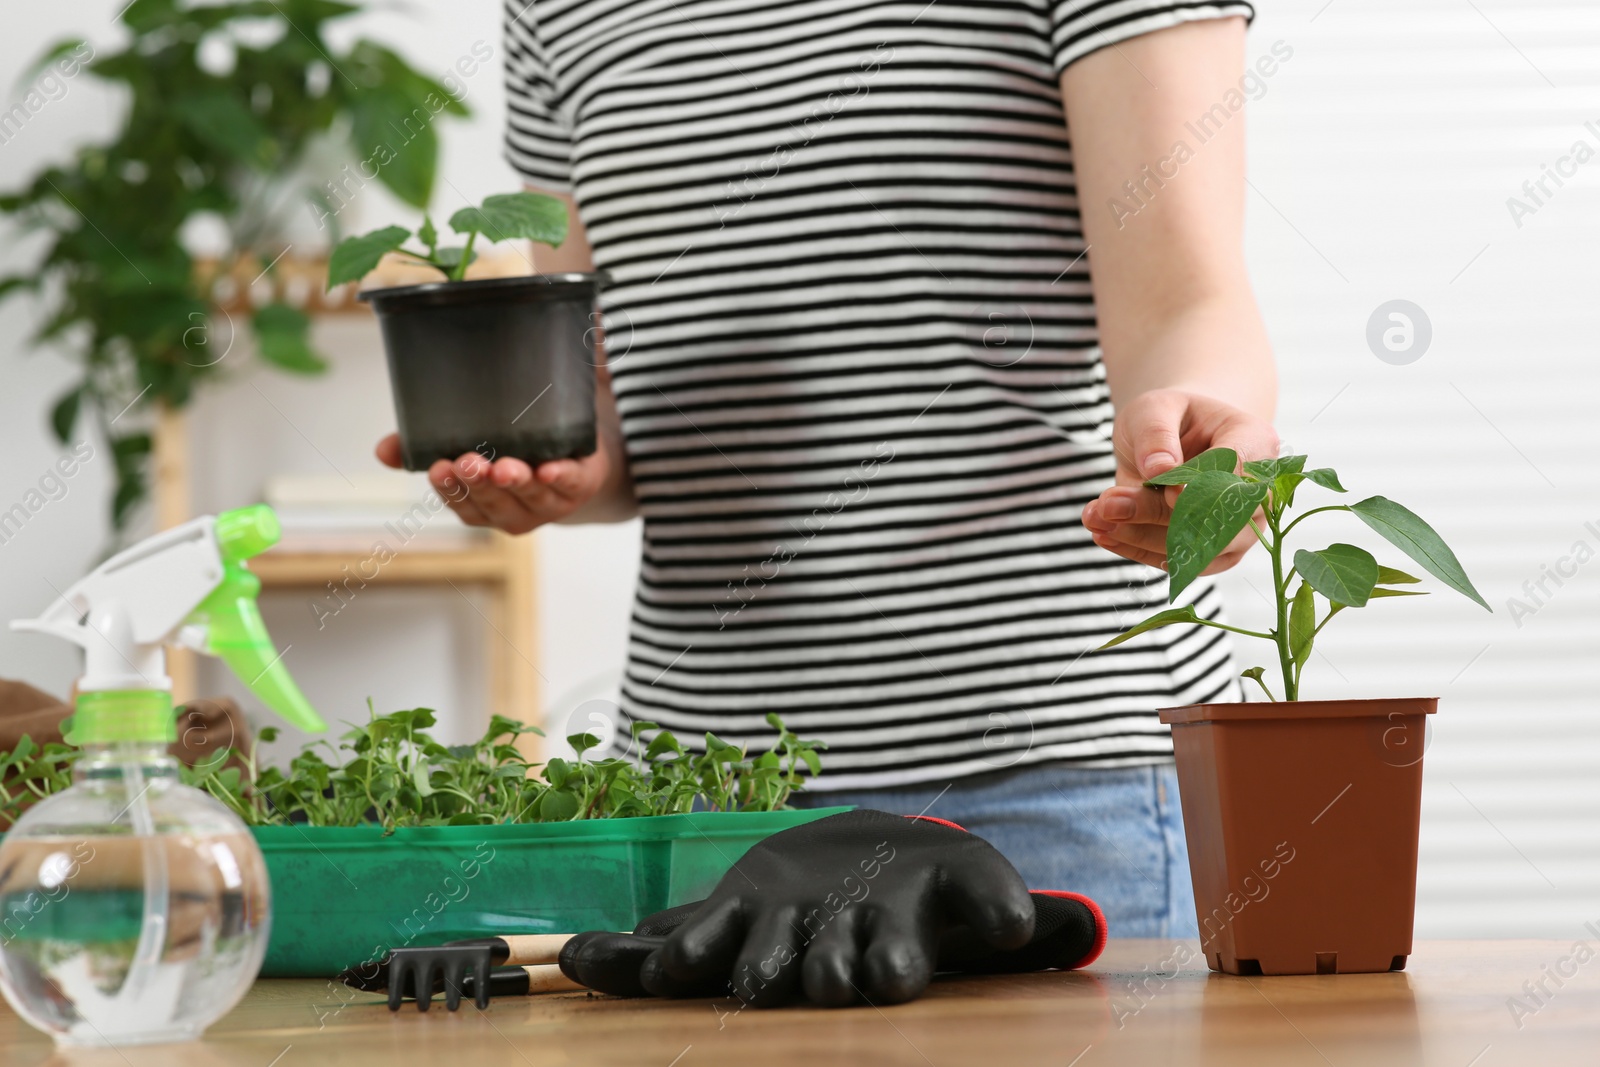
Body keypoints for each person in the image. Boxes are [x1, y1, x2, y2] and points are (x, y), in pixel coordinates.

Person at [376, 0, 1277, 944]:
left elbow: (1188, 301)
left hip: (1047, 771)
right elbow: (603, 392)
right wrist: (555, 469)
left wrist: (1198, 446)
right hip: (700, 794)